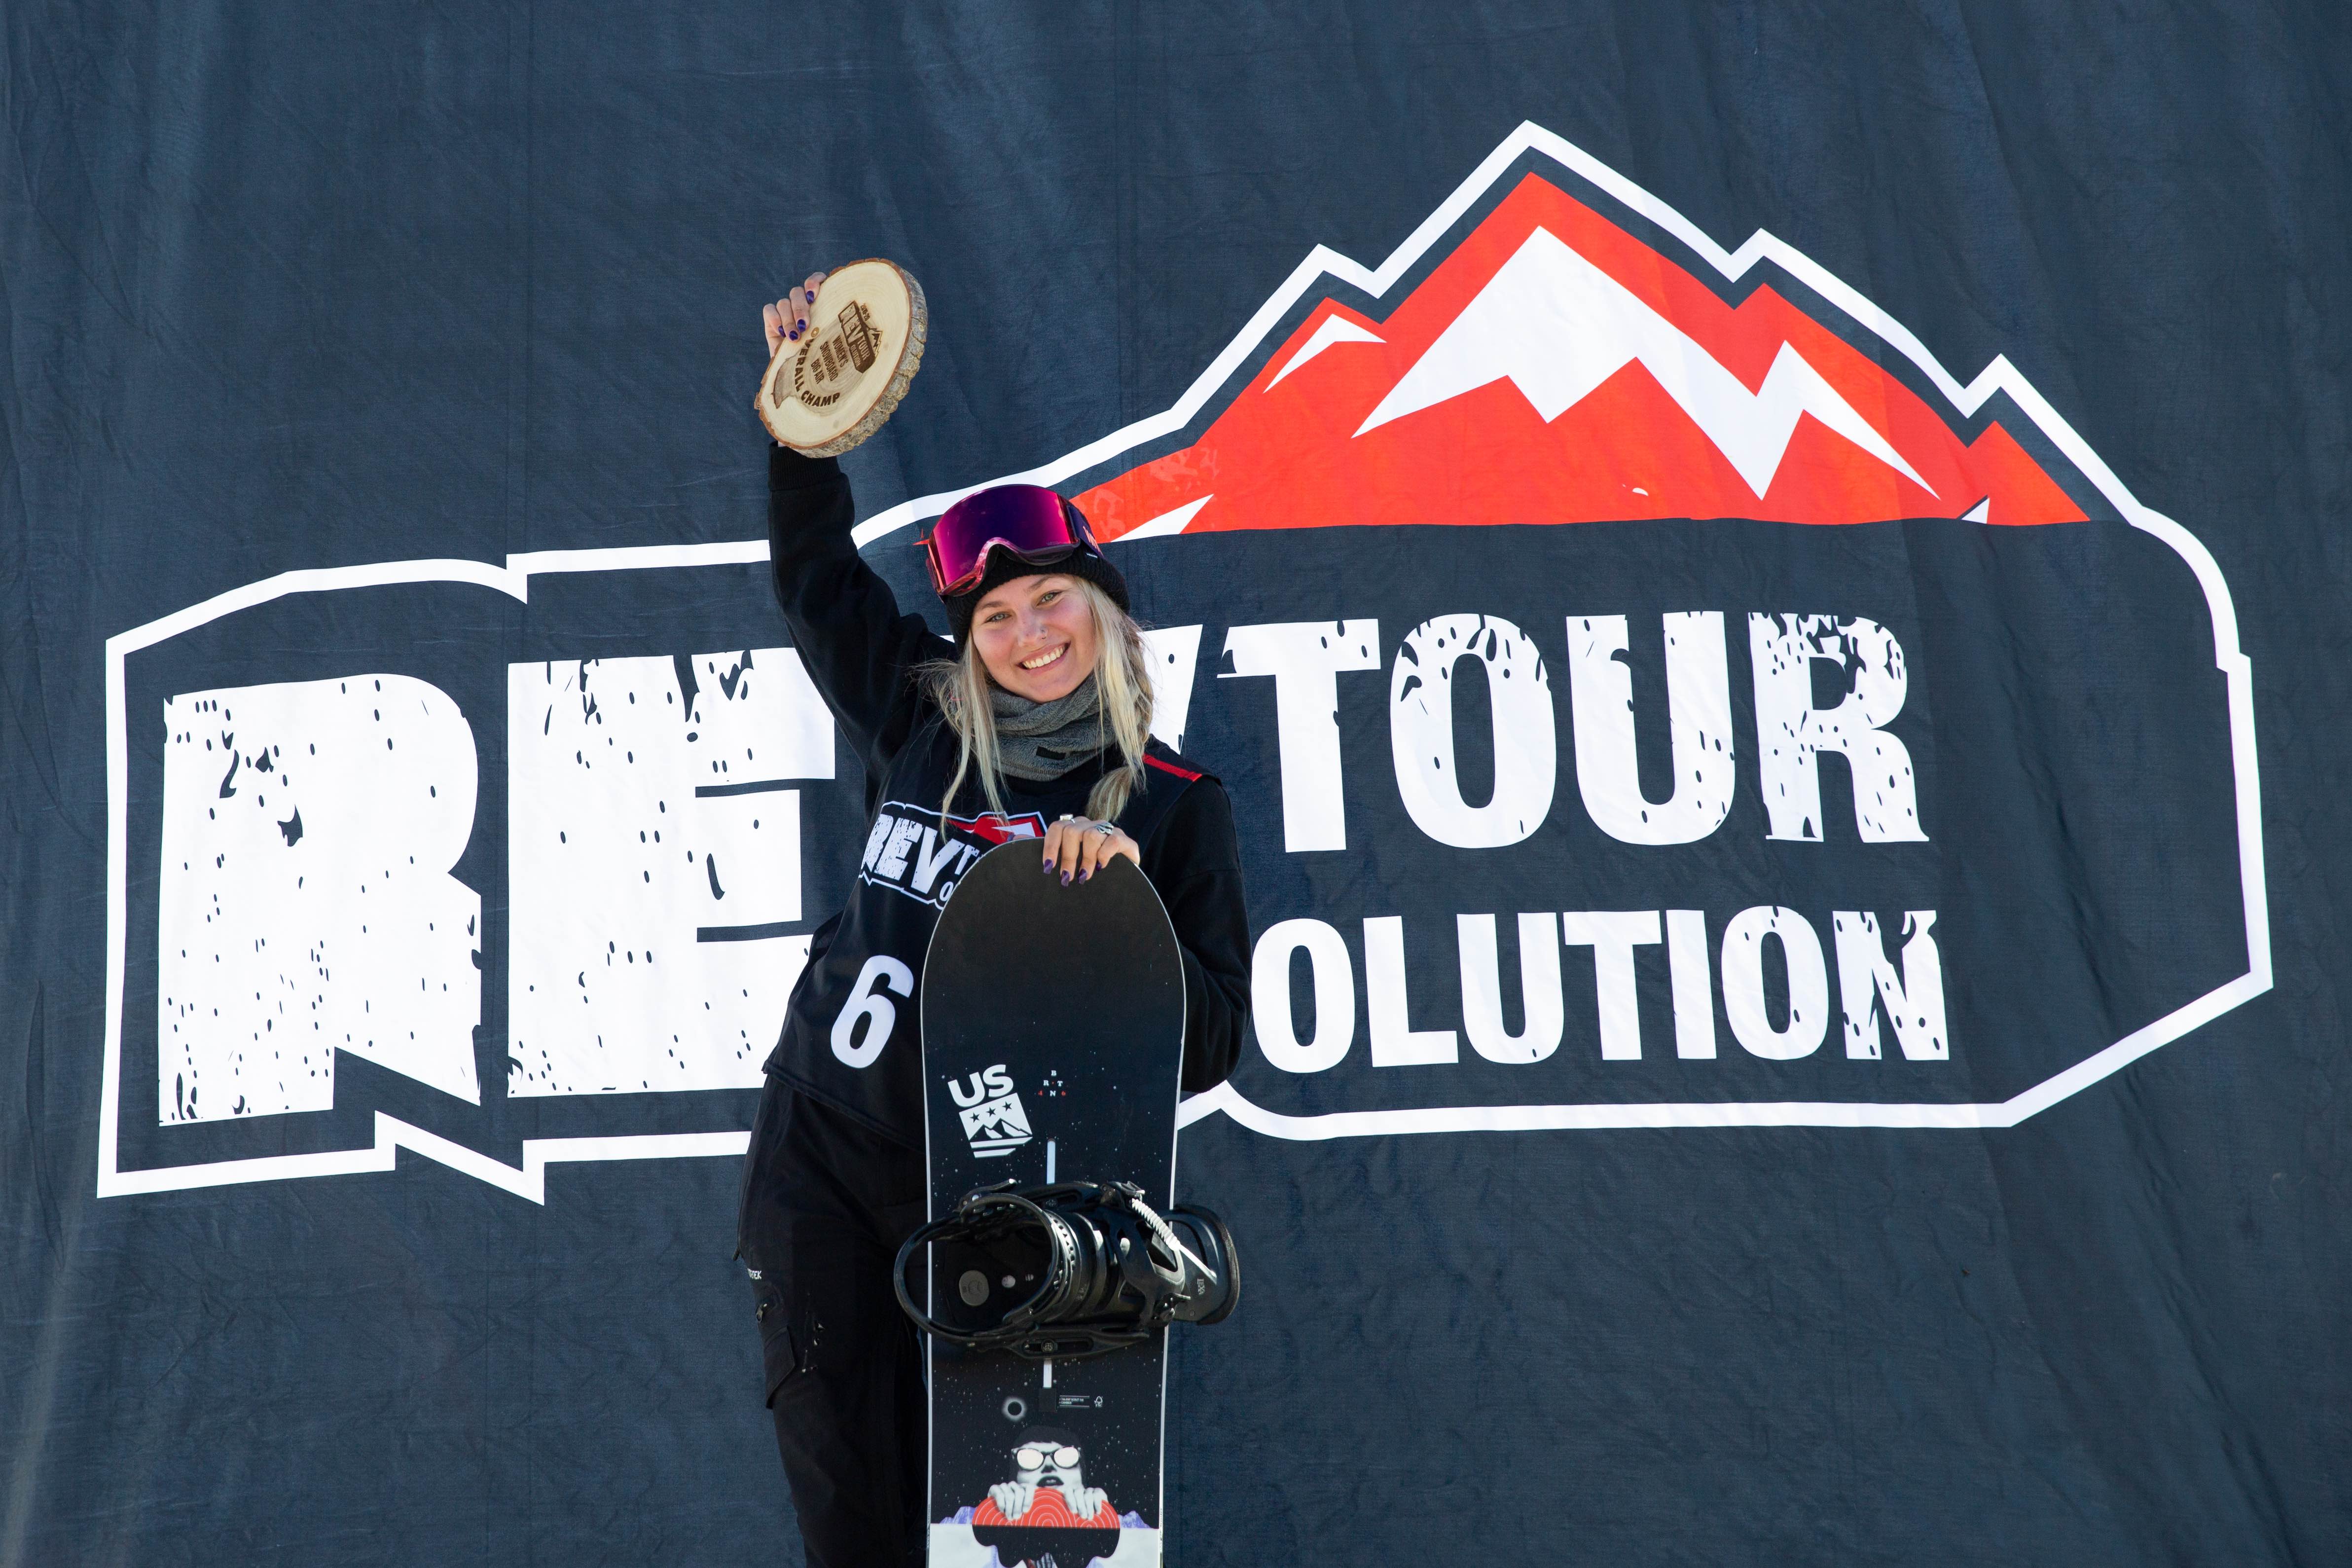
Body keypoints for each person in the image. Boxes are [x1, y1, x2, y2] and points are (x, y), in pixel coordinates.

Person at [735, 274, 1252, 1568]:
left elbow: (1209, 1047)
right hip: (821, 1153)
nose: (1028, 637)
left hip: (1001, 1192)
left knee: (1003, 1539)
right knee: (851, 1515)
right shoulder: (922, 720)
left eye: (1052, 601)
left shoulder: (1175, 803)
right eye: (996, 618)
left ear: (1104, 608)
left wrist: (1123, 915)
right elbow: (814, 580)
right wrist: (801, 424)